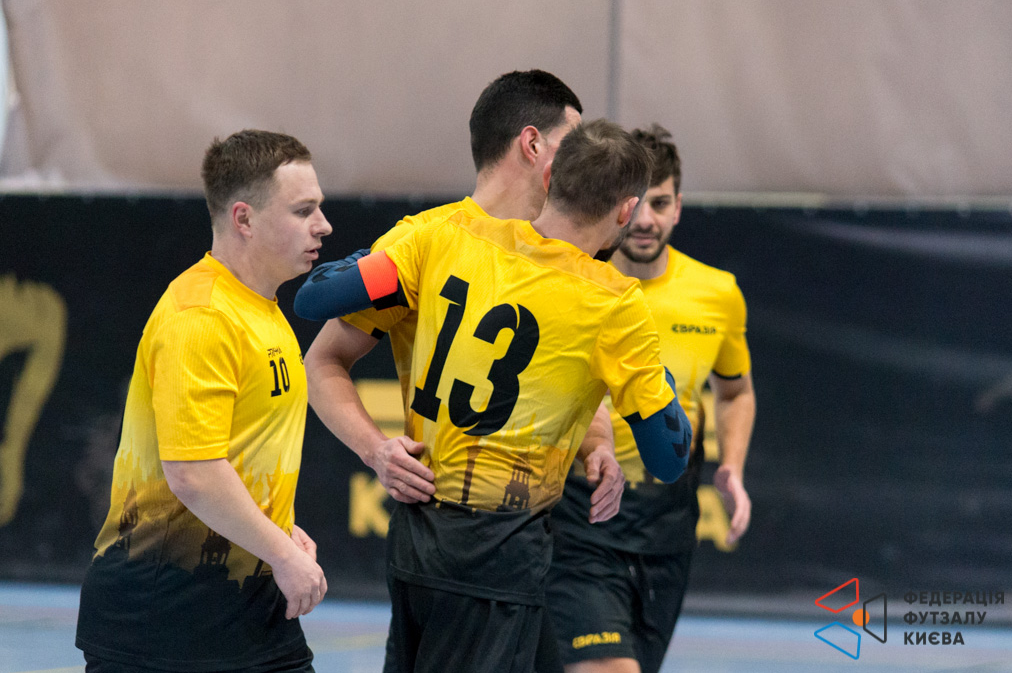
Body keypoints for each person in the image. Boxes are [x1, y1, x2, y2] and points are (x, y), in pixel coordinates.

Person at [295, 119, 691, 673]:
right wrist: (656, 379)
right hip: (500, 551)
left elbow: (313, 299)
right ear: (626, 210)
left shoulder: (446, 235)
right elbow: (668, 458)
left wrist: (595, 439)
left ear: (550, 178)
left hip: (416, 533)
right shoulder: (615, 303)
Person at [298, 70, 623, 521]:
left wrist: (599, 445)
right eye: (571, 143)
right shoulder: (425, 240)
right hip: (438, 524)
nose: (582, 158)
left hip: (541, 526)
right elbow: (322, 360)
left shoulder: (573, 255)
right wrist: (376, 450)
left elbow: (568, 375)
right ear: (532, 145)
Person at [76, 130, 332, 672]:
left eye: (319, 207)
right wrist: (283, 553)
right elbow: (192, 472)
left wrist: (276, 527)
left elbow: (235, 453)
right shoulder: (202, 317)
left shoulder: (260, 307)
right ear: (244, 219)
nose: (323, 225)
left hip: (246, 607)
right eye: (303, 210)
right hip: (164, 618)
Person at [543, 124, 757, 673]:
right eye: (636, 203)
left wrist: (732, 467)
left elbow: (735, 392)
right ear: (617, 207)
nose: (645, 219)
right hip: (579, 518)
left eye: (660, 203)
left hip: (667, 532)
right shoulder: (573, 283)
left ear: (678, 207)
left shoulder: (718, 293)